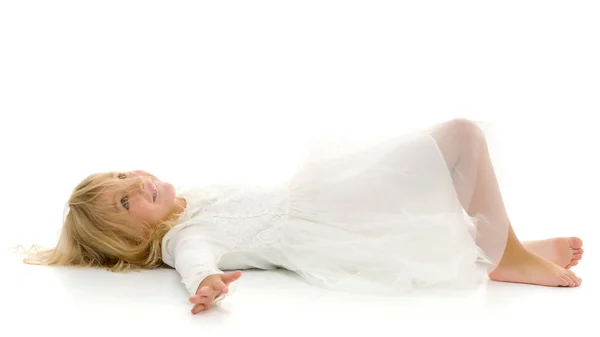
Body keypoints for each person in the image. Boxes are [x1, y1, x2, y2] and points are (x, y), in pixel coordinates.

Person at [23, 118, 584, 315]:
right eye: (125, 202)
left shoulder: (188, 200)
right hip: (330, 219)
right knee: (458, 139)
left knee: (446, 169)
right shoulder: (184, 237)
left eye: (124, 176)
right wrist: (207, 284)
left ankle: (509, 247)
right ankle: (508, 256)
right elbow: (194, 260)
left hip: (329, 203)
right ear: (137, 239)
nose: (135, 183)